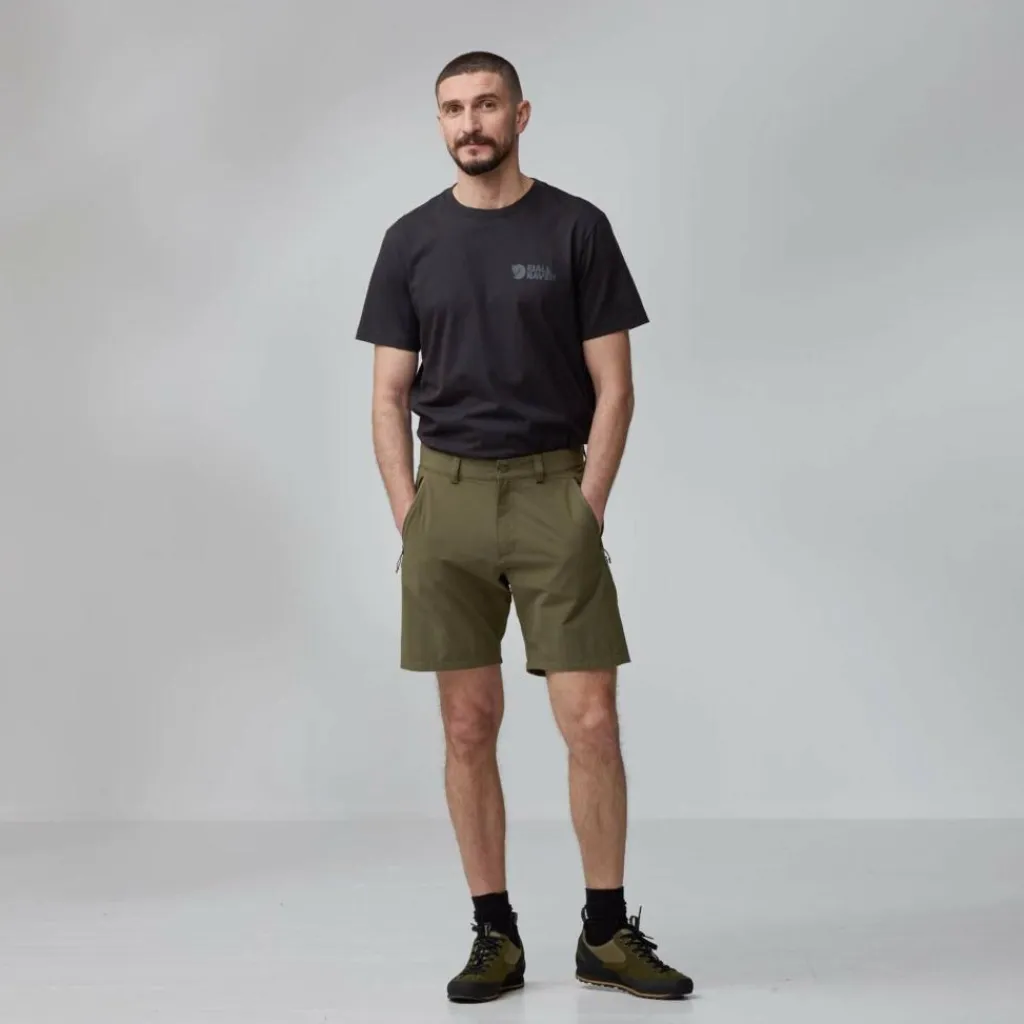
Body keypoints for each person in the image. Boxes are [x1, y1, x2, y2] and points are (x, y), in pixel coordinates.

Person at [355, 50, 694, 1003]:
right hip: (447, 498)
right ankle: (493, 934)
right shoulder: (410, 240)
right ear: (440, 123)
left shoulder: (576, 227)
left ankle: (605, 932)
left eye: (486, 104)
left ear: (521, 114)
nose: (470, 122)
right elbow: (387, 396)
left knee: (592, 720)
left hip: (554, 491)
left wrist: (587, 506)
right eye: (452, 108)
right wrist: (412, 516)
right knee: (468, 724)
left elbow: (615, 386)